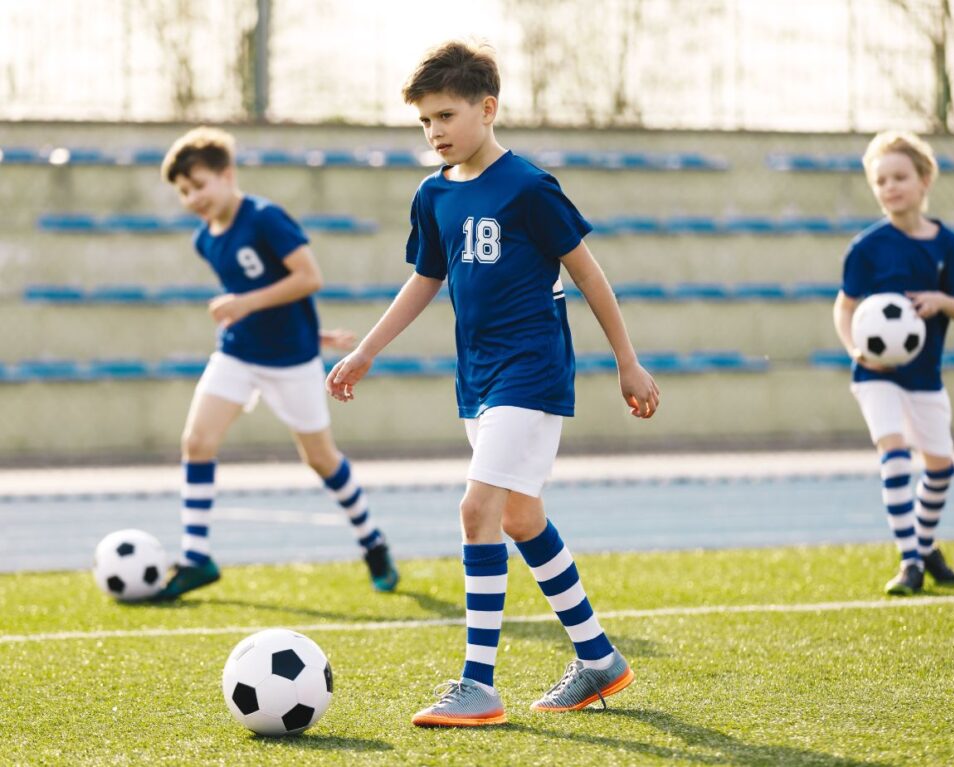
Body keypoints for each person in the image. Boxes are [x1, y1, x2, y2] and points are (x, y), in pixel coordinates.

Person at [326, 41, 660, 726]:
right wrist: (365, 351)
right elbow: (425, 279)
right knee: (519, 517)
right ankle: (599, 658)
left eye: (445, 115)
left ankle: (478, 684)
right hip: (476, 376)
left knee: (476, 509)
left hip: (531, 370)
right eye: (425, 121)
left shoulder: (529, 187)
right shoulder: (433, 194)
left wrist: (627, 360)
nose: (435, 131)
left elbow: (589, 274)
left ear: (487, 108)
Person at [156, 126, 399, 600]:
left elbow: (308, 278)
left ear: (227, 175)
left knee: (320, 459)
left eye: (199, 185)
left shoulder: (266, 218)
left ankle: (372, 541)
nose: (192, 198)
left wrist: (254, 308)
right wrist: (258, 312)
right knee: (197, 442)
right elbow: (262, 293)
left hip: (291, 362)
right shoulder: (205, 240)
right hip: (237, 352)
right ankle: (196, 557)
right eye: (184, 192)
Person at [833, 130, 954, 596]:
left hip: (925, 375)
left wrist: (940, 300)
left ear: (924, 180)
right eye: (881, 181)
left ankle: (926, 546)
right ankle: (909, 561)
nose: (890, 187)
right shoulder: (866, 247)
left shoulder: (945, 243)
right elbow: (844, 307)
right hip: (876, 374)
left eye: (899, 177)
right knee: (894, 454)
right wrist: (855, 349)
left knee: (941, 467)